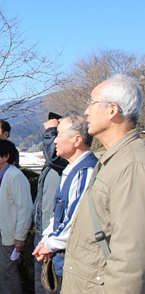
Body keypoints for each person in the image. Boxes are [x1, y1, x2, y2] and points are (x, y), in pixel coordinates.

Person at [62, 74, 145, 293]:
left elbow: (131, 257)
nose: (86, 111)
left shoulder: (132, 165)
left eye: (92, 103)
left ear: (112, 110)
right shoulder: (112, 158)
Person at [32, 112, 97, 292]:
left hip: (73, 261)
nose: (54, 141)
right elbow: (58, 213)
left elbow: (74, 219)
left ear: (77, 140)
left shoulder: (86, 170)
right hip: (60, 257)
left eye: (59, 135)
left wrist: (49, 244)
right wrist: (47, 237)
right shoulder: (71, 168)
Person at [0, 139, 33, 294]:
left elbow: (25, 208)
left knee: (8, 272)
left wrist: (20, 237)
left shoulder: (15, 176)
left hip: (8, 234)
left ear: (5, 156)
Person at [32, 113, 69, 293]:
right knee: (41, 281)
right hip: (43, 229)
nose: (55, 141)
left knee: (50, 284)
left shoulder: (66, 164)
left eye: (59, 135)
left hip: (55, 235)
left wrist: (51, 131)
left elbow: (55, 157)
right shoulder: (51, 165)